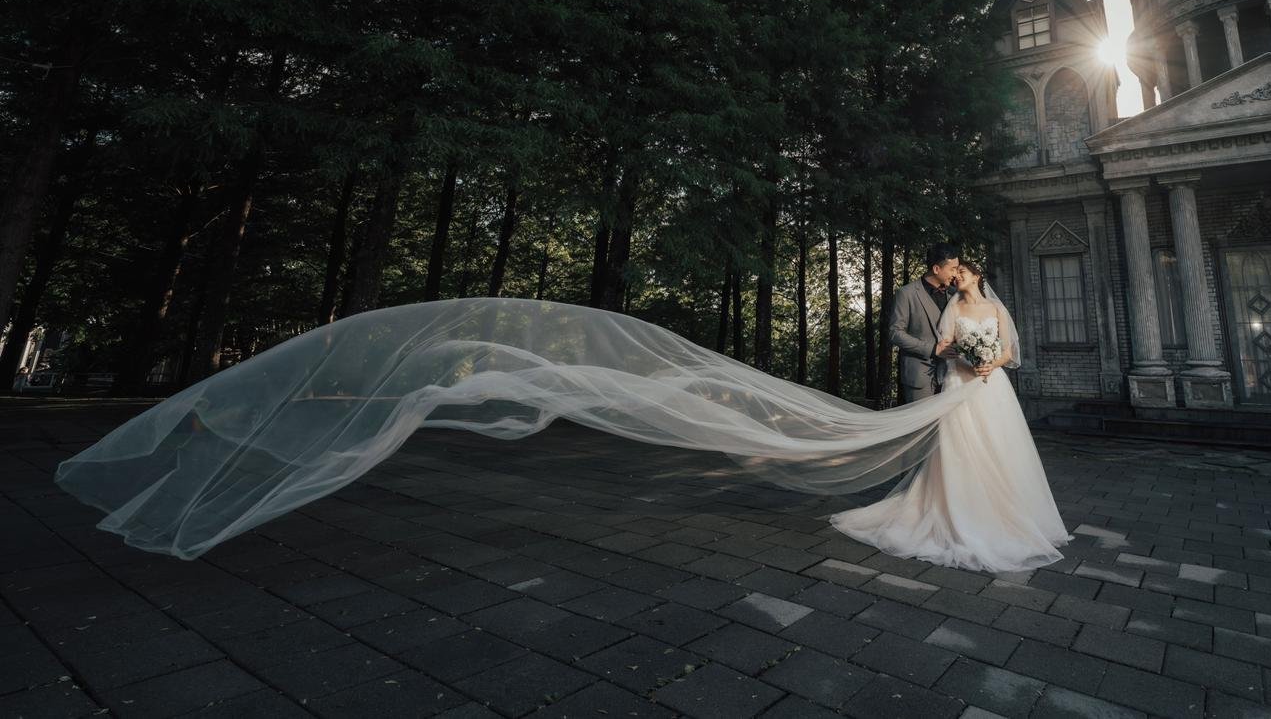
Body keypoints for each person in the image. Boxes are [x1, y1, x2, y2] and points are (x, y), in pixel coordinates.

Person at [56, 261, 1069, 573]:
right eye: (946, 279)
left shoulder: (987, 308)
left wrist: (984, 356)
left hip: (990, 399)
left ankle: (996, 522)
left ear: (966, 278)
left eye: (954, 276)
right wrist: (942, 352)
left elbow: (1011, 347)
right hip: (948, 388)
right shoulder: (929, 310)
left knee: (993, 469)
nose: (948, 280)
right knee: (941, 472)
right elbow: (921, 343)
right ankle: (947, 521)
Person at [830, 259, 1072, 571]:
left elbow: (1009, 351)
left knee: (998, 445)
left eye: (962, 273)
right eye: (954, 274)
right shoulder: (954, 308)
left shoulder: (997, 309)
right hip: (959, 381)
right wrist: (966, 357)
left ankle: (1004, 512)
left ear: (977, 276)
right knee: (959, 447)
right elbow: (944, 344)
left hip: (991, 385)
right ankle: (957, 510)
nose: (957, 278)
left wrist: (989, 363)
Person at [889, 243, 961, 403]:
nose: (956, 274)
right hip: (919, 378)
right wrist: (933, 349)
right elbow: (895, 333)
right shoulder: (906, 294)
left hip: (952, 375)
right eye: (953, 269)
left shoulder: (955, 294)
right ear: (936, 269)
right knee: (924, 428)